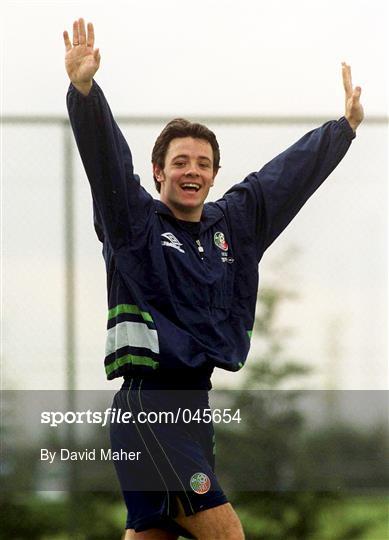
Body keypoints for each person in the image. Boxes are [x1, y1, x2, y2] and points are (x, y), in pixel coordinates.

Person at [63, 17, 364, 540]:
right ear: (159, 172)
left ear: (213, 175)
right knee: (227, 535)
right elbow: (107, 164)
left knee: (154, 534)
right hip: (148, 407)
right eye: (180, 161)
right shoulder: (134, 223)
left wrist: (343, 130)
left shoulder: (232, 227)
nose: (192, 170)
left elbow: (282, 179)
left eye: (203, 163)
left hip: (191, 411)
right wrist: (85, 92)